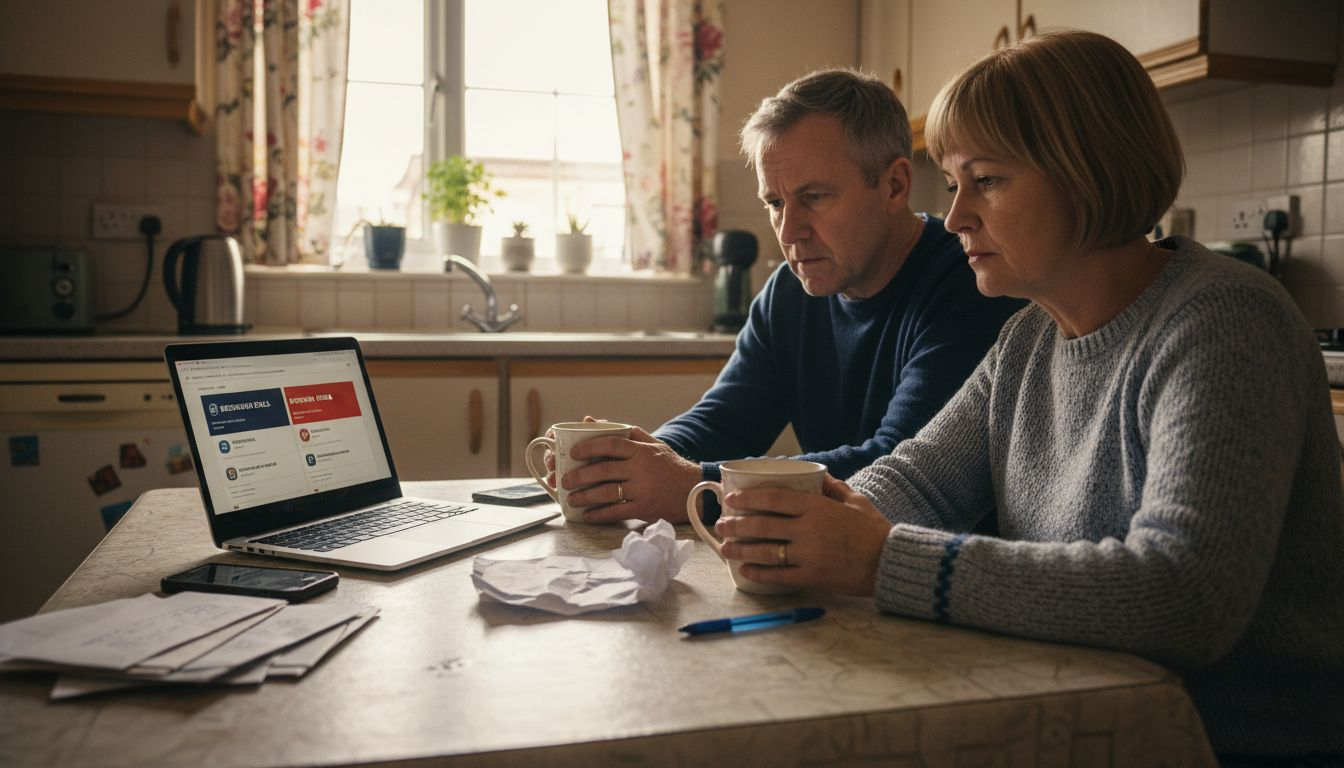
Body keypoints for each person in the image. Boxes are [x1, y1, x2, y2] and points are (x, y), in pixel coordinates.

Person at [712, 30, 1344, 762]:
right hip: (1067, 710)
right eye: (952, 185)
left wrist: (881, 560)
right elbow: (916, 477)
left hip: (1227, 741)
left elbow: (1184, 596)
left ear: (1088, 172)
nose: (954, 220)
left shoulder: (1224, 321)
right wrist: (807, 519)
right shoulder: (1027, 341)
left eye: (987, 180)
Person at [553, 68, 1023, 524]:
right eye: (775, 204)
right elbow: (724, 421)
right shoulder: (789, 293)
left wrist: (694, 485)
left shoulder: (971, 281)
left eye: (815, 197)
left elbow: (899, 463)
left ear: (895, 185)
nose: (789, 231)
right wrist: (632, 459)